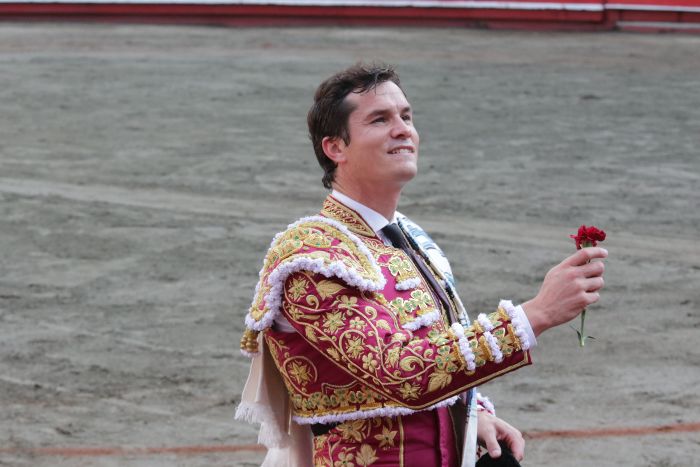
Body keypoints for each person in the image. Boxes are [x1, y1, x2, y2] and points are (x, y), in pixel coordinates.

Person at [236, 63, 607, 467]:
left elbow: (440, 345)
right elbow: (402, 373)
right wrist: (536, 314)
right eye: (380, 120)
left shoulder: (407, 237)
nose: (403, 130)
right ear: (335, 148)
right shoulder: (314, 257)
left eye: (406, 117)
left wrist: (472, 413)